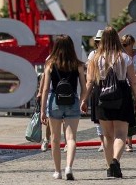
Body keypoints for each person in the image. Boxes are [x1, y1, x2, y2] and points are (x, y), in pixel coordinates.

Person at [80, 26, 136, 179]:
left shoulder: (95, 58)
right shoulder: (125, 58)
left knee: (107, 135)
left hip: (101, 95)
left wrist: (84, 99)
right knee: (121, 133)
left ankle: (109, 168)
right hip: (122, 95)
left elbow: (90, 82)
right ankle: (115, 161)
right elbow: (133, 82)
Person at [40, 35, 86, 181]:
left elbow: (46, 89)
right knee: (71, 138)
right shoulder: (77, 64)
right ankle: (69, 168)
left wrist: (42, 110)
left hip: (55, 101)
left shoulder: (50, 64)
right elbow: (84, 88)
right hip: (72, 101)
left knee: (54, 138)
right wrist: (83, 102)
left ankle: (57, 171)